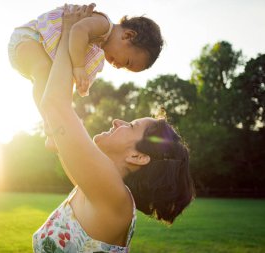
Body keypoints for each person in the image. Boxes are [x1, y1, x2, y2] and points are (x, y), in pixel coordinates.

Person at [33, 4, 195, 252]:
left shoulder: (114, 197)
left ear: (138, 156)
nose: (116, 121)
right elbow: (55, 127)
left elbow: (55, 105)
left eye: (130, 125)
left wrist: (68, 32)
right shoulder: (100, 187)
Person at [8, 3, 163, 150]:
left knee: (57, 86)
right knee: (43, 71)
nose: (119, 66)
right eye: (127, 62)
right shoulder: (103, 24)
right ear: (128, 35)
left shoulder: (97, 47)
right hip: (31, 38)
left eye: (125, 69)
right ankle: (50, 124)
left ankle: (54, 128)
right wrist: (79, 67)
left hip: (40, 49)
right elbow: (77, 30)